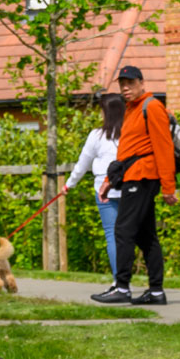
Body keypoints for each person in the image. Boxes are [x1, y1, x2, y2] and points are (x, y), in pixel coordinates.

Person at [91, 64, 177, 307]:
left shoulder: (152, 107)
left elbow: (163, 148)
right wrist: (110, 181)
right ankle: (156, 291)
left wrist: (168, 187)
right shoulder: (131, 110)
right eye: (122, 84)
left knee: (123, 230)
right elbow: (126, 151)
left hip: (143, 177)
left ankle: (122, 287)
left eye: (130, 83)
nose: (125, 88)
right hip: (131, 176)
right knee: (145, 235)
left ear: (142, 83)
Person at [64, 91, 129, 277]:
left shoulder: (97, 136)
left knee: (112, 234)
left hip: (104, 189)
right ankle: (128, 277)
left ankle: (119, 279)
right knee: (127, 235)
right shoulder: (129, 134)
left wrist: (69, 184)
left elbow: (83, 163)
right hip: (128, 187)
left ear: (106, 113)